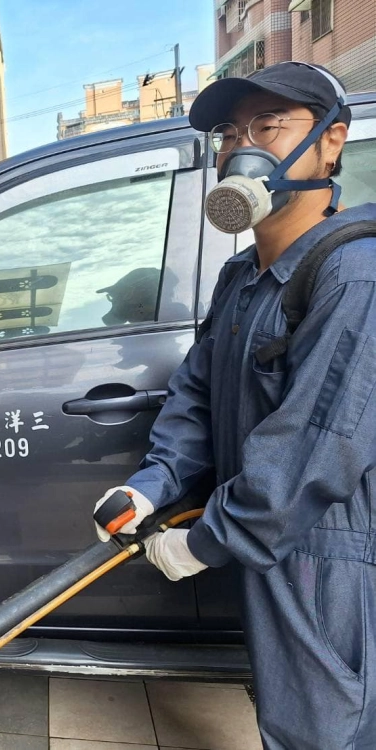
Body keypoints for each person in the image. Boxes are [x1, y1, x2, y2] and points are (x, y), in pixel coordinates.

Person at [92, 62, 376, 749]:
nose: (240, 149)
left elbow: (316, 448)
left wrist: (203, 543)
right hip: (269, 544)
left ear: (332, 141)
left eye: (267, 126)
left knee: (324, 730)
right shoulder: (243, 275)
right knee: (288, 716)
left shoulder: (354, 276)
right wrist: (152, 484)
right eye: (228, 132)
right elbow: (197, 393)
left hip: (325, 552)